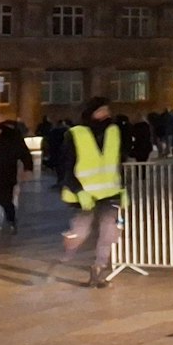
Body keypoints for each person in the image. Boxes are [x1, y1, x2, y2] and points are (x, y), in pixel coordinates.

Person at [58, 96, 127, 288]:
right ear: (90, 113)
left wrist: (123, 188)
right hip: (85, 195)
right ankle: (69, 247)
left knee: (109, 234)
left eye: (107, 110)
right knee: (78, 233)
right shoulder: (75, 134)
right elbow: (67, 166)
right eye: (100, 111)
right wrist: (78, 190)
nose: (105, 114)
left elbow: (117, 162)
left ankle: (98, 269)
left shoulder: (114, 132)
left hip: (110, 192)